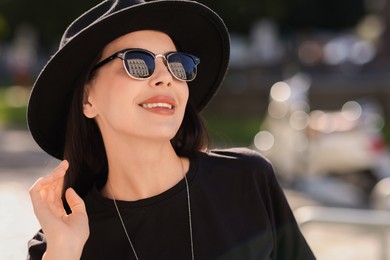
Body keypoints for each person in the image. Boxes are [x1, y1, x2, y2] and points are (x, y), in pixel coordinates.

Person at [27, 0, 315, 259]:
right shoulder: (61, 239)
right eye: (137, 62)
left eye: (178, 64)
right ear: (87, 99)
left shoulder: (247, 181)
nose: (166, 77)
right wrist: (65, 251)